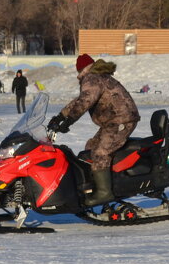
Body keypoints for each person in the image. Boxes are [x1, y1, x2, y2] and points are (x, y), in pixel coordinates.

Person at [47, 54, 140, 208]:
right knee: (91, 147)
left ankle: (104, 192)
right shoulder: (95, 77)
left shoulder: (92, 78)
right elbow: (79, 100)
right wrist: (60, 116)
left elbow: (85, 102)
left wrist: (69, 121)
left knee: (100, 152)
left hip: (122, 120)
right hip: (113, 122)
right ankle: (97, 184)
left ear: (81, 69)